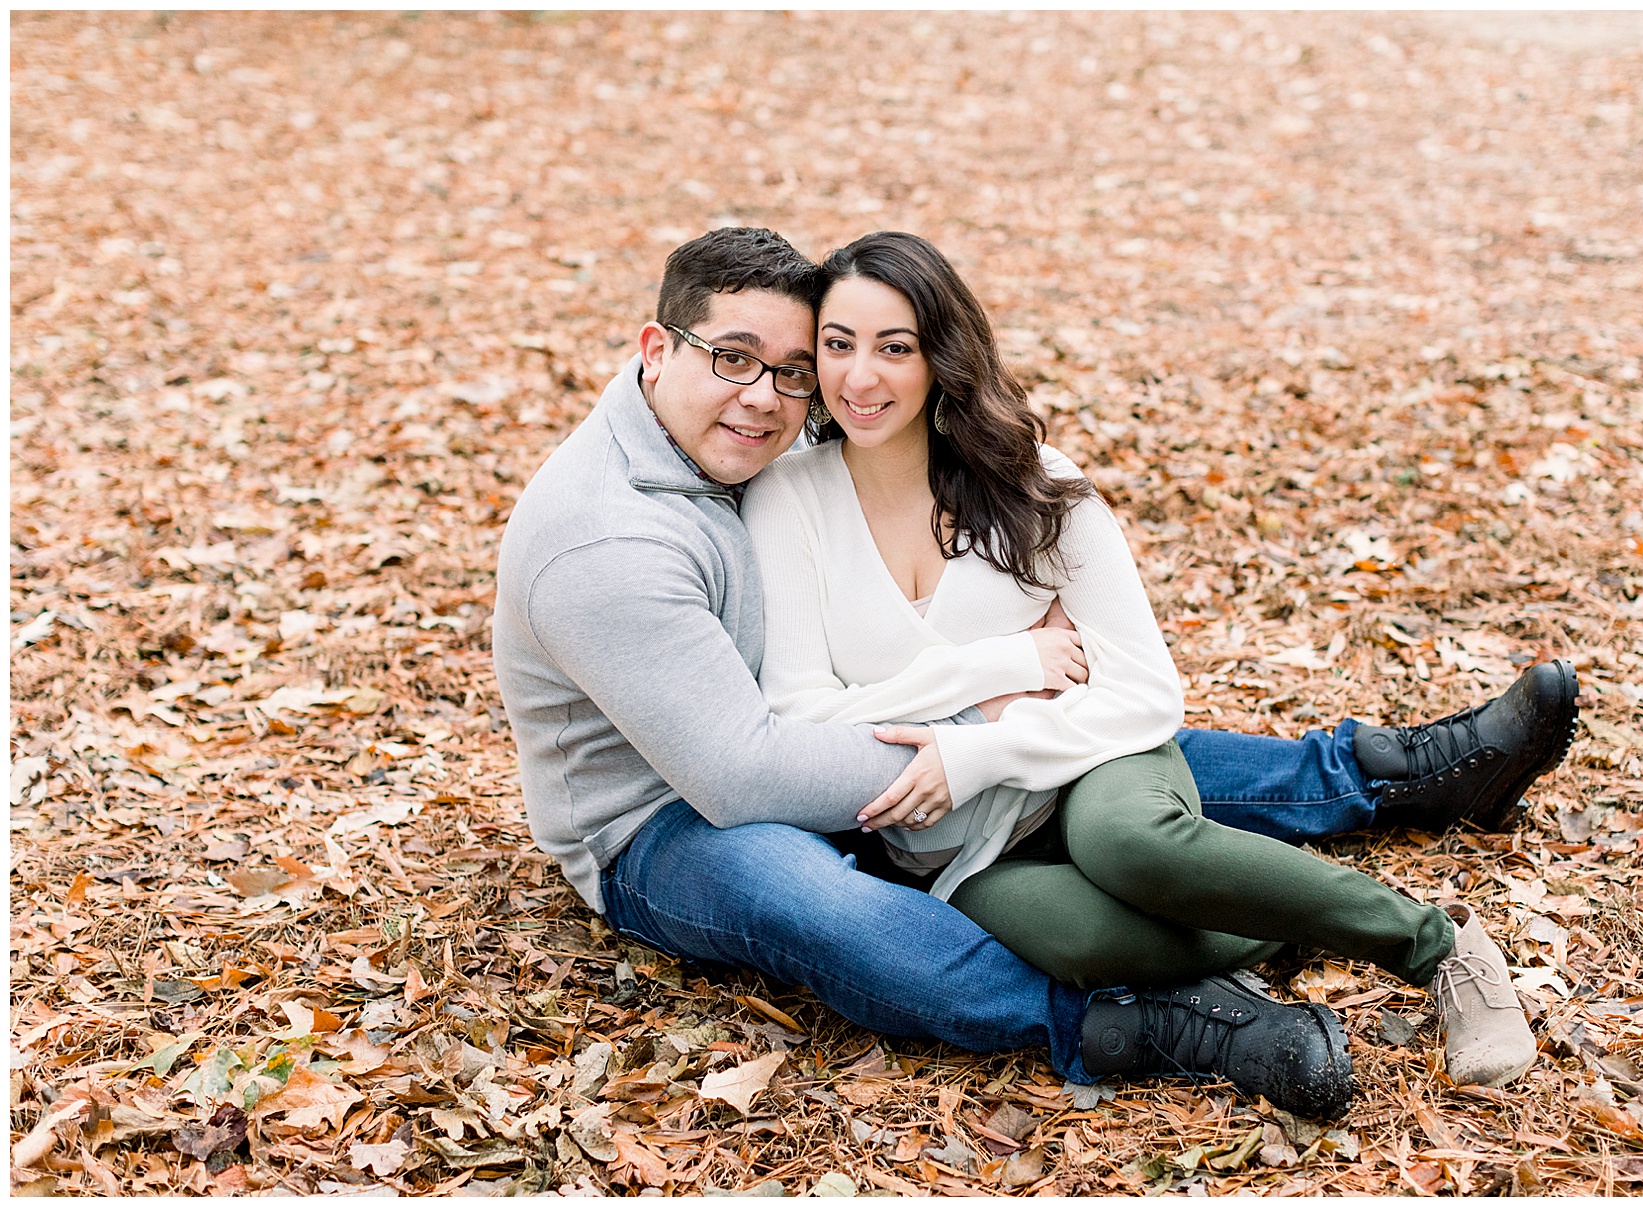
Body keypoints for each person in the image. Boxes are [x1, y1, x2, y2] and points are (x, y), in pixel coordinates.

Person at [493, 226, 1356, 1118]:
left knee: (1105, 733)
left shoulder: (737, 438)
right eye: (732, 359)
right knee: (812, 895)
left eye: (793, 368)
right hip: (664, 821)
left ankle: (1370, 774)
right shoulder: (602, 542)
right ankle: (1123, 1021)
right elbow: (743, 776)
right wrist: (984, 735)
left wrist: (1012, 720)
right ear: (655, 350)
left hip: (816, 736)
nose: (764, 398)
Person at [739, 231, 1581, 1092]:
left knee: (1129, 841)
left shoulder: (1027, 479)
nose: (860, 377)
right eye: (838, 346)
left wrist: (977, 749)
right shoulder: (789, 499)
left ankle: (1436, 944)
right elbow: (798, 717)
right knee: (1087, 942)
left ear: (941, 356)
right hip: (965, 849)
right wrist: (994, 667)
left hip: (1094, 759)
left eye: (895, 347)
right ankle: (1273, 909)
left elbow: (1146, 691)